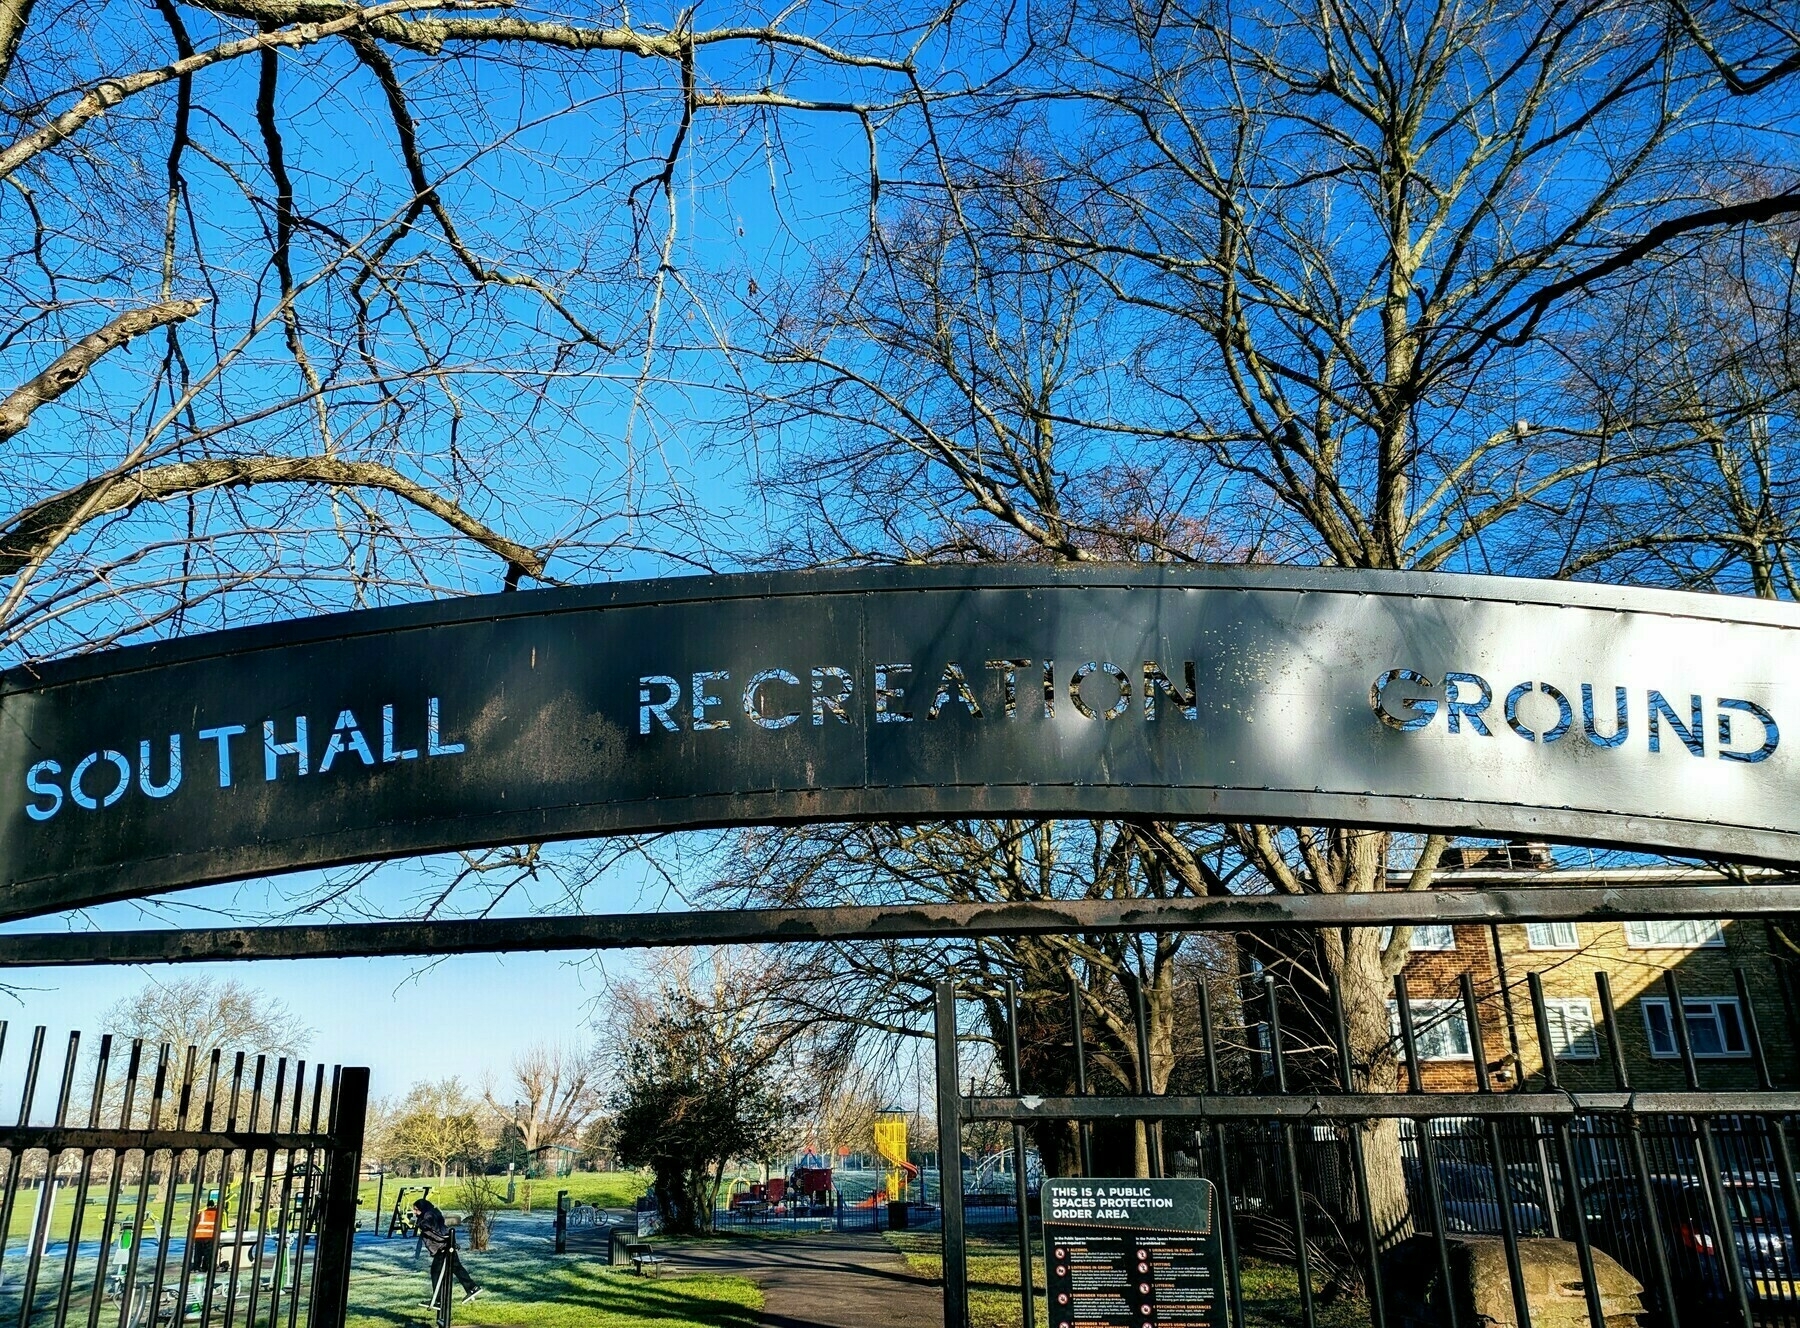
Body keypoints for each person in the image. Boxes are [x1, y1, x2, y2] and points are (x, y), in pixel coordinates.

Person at [412, 1197, 481, 1308]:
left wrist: (422, 1224)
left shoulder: (428, 1215)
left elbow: (429, 1223)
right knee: (456, 1268)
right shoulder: (431, 1214)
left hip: (443, 1248)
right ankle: (473, 1288)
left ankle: (438, 1300)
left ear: (422, 1208)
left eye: (416, 1209)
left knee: (436, 1272)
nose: (414, 1212)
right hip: (447, 1245)